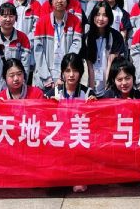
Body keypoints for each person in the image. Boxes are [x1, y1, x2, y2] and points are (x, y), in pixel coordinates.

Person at [45, 53, 96, 193]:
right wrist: (50, 106)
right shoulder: (53, 92)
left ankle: (78, 176)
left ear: (81, 72)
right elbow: (41, 117)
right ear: (62, 72)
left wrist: (93, 106)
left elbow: (95, 120)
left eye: (75, 70)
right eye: (67, 71)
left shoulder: (88, 93)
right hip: (58, 139)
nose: (71, 75)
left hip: (78, 139)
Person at [33, 0, 83, 90]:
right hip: (44, 78)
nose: (59, 0)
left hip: (66, 78)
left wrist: (63, 76)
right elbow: (38, 52)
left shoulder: (75, 21)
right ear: (50, 1)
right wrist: (47, 78)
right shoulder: (42, 22)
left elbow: (75, 47)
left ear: (67, 1)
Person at [0, 2, 33, 97]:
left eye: (11, 16)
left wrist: (21, 89)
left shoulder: (23, 38)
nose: (8, 19)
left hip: (16, 93)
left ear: (16, 18)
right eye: (4, 16)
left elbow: (25, 67)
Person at [83, 1, 125, 96]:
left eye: (105, 15)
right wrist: (90, 90)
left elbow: (111, 62)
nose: (101, 19)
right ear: (93, 16)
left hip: (109, 88)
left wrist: (108, 87)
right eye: (98, 15)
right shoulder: (86, 38)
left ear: (109, 17)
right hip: (91, 86)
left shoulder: (116, 36)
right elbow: (89, 65)